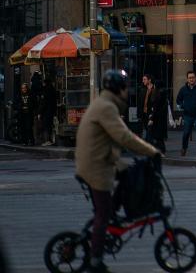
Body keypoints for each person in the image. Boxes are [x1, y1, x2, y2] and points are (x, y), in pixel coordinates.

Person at [75, 69, 159, 273]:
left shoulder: (105, 103)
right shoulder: (106, 107)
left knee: (127, 174)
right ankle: (95, 260)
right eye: (125, 87)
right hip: (96, 167)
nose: (127, 90)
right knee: (102, 214)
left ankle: (114, 218)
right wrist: (152, 151)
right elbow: (124, 137)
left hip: (101, 161)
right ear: (118, 88)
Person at [175, 71, 196, 157]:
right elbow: (178, 100)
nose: (191, 79)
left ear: (195, 78)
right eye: (189, 78)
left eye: (193, 77)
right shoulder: (183, 89)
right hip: (187, 114)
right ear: (187, 79)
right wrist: (182, 106)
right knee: (186, 133)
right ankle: (184, 149)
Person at [141, 74, 168, 153]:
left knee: (152, 135)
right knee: (156, 136)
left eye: (145, 79)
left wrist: (152, 117)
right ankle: (158, 150)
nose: (143, 81)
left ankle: (153, 150)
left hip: (156, 118)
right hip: (156, 117)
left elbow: (156, 107)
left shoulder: (158, 94)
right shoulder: (161, 94)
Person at [41, 77, 58, 145]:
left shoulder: (46, 90)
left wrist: (39, 111)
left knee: (46, 126)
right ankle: (50, 140)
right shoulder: (52, 89)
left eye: (44, 83)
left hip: (46, 111)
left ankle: (47, 140)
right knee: (50, 126)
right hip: (51, 110)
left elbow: (44, 102)